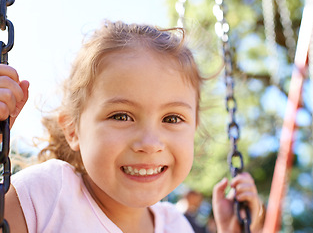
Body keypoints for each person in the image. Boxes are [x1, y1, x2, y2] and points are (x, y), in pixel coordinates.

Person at [1, 20, 265, 232]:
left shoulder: (177, 225)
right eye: (121, 116)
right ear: (73, 129)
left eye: (172, 119)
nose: (150, 143)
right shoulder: (46, 196)